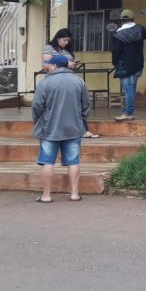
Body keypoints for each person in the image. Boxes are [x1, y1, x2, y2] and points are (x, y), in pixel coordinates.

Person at [32, 54, 91, 203]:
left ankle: (46, 195)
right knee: (73, 161)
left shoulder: (45, 83)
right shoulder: (79, 81)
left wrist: (38, 121)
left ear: (53, 66)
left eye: (49, 65)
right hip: (73, 129)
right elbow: (86, 105)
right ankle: (74, 194)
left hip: (49, 129)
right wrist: (81, 119)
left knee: (47, 161)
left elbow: (37, 106)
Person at [42, 29, 99, 138]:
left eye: (68, 40)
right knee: (55, 106)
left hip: (69, 78)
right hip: (55, 80)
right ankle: (49, 129)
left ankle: (83, 130)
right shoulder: (49, 48)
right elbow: (45, 66)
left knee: (76, 104)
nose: (66, 43)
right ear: (58, 38)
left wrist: (73, 65)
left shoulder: (67, 49)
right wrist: (67, 64)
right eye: (64, 40)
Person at [111, 9, 146, 121]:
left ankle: (128, 113)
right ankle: (128, 113)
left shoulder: (119, 35)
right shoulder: (140, 29)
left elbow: (116, 52)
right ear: (133, 19)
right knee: (131, 89)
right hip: (138, 65)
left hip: (125, 66)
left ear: (122, 20)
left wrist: (115, 63)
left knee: (128, 90)